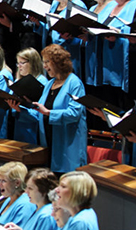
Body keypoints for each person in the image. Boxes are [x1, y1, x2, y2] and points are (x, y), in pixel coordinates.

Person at [10, 44, 87, 174]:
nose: (44, 66)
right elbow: (39, 113)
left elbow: (74, 113)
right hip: (48, 144)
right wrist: (19, 110)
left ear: (58, 63)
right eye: (43, 62)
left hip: (67, 147)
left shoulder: (74, 82)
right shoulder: (50, 84)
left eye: (47, 62)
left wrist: (48, 112)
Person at [33, 0, 86, 75]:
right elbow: (50, 27)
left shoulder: (78, 5)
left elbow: (82, 32)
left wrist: (69, 37)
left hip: (68, 53)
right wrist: (38, 23)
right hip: (51, 52)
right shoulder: (55, 3)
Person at [11, 48, 48, 146]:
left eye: (22, 63)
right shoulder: (17, 81)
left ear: (32, 63)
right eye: (17, 63)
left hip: (33, 130)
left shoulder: (42, 81)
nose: (19, 67)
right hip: (19, 127)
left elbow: (40, 114)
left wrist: (24, 107)